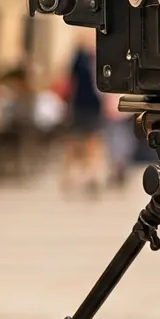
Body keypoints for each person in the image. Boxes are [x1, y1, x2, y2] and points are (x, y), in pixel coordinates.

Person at [64, 36, 107, 198]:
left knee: (91, 143)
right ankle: (79, 176)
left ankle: (91, 175)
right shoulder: (82, 58)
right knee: (80, 142)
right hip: (83, 105)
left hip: (89, 105)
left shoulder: (90, 59)